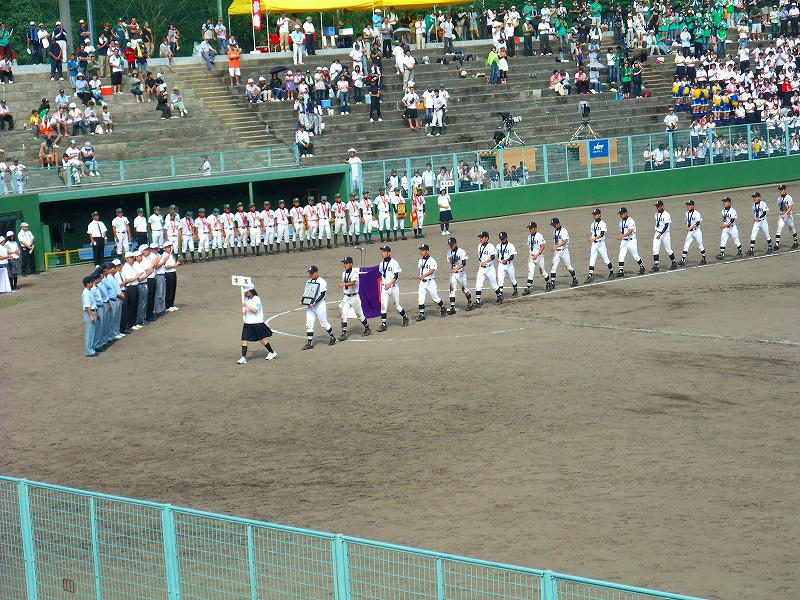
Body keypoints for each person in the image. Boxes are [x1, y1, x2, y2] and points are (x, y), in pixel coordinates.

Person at [236, 283, 277, 363]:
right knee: (244, 340)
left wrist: (246, 306)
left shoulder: (256, 299)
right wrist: (245, 313)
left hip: (256, 322)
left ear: (251, 291)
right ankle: (243, 357)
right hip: (248, 323)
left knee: (261, 340)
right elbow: (248, 310)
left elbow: (255, 310)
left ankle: (272, 352)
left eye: (247, 291)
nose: (246, 293)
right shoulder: (246, 299)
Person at [300, 265, 336, 349]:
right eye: (310, 273)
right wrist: (302, 300)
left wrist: (315, 302)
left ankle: (332, 337)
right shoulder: (308, 281)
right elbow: (306, 292)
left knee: (324, 323)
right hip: (310, 305)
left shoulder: (322, 281)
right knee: (309, 324)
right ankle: (310, 343)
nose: (310, 275)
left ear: (316, 272)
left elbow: (323, 294)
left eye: (312, 273)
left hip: (319, 305)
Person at [337, 256, 371, 340]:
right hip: (346, 297)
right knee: (344, 315)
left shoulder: (354, 273)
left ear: (351, 264)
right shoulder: (343, 273)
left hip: (354, 297)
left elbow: (352, 283)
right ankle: (344, 333)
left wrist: (343, 284)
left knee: (359, 315)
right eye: (344, 263)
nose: (345, 265)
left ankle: (367, 327)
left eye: (346, 263)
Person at [377, 245, 409, 331]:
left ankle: (405, 317)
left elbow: (396, 276)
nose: (383, 253)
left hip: (393, 287)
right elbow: (382, 275)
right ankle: (383, 324)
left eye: (384, 252)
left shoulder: (394, 263)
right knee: (383, 306)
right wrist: (384, 285)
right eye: (382, 252)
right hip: (385, 287)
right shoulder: (381, 264)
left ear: (389, 253)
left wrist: (389, 284)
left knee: (396, 306)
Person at [415, 243, 447, 320]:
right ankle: (422, 314)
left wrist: (424, 275)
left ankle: (443, 308)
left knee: (435, 299)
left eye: (423, 250)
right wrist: (422, 277)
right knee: (420, 299)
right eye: (421, 250)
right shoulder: (420, 261)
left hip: (430, 282)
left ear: (427, 251)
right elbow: (421, 269)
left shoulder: (432, 260)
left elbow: (432, 271)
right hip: (422, 283)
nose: (421, 252)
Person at [585, 209, 615, 283]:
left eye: (595, 214)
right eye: (594, 214)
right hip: (594, 244)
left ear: (599, 214)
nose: (594, 216)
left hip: (601, 244)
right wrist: (592, 239)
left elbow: (602, 234)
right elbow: (593, 233)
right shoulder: (592, 224)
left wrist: (593, 239)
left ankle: (611, 272)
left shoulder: (603, 224)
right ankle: (590, 275)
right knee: (592, 259)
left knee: (606, 259)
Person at [474, 231, 503, 306]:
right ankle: (478, 301)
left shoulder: (491, 246)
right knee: (478, 285)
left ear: (487, 238)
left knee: (494, 285)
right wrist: (482, 263)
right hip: (481, 269)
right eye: (480, 237)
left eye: (482, 237)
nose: (481, 239)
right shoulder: (479, 246)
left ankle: (499, 296)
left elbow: (493, 256)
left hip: (489, 269)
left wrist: (486, 262)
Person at [615, 207, 646, 277]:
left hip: (631, 241)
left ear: (626, 213)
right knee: (621, 256)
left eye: (622, 214)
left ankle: (642, 267)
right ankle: (621, 271)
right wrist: (623, 237)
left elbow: (630, 231)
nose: (621, 215)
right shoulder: (620, 222)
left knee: (635, 256)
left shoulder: (631, 221)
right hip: (624, 241)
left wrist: (622, 236)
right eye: (620, 214)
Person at [549, 217, 579, 289]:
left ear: (558, 223)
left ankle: (575, 279)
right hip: (557, 252)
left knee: (568, 267)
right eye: (553, 225)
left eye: (554, 225)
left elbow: (564, 241)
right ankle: (552, 284)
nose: (553, 226)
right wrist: (556, 247)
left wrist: (556, 246)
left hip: (564, 251)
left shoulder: (564, 231)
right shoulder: (554, 231)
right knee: (553, 267)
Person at [445, 236, 473, 313]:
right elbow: (451, 263)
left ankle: (470, 302)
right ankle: (452, 307)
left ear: (456, 243)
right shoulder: (449, 253)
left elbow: (464, 263)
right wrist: (452, 271)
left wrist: (456, 269)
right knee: (451, 290)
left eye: (452, 244)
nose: (451, 246)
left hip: (461, 273)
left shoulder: (461, 251)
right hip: (453, 274)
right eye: (450, 245)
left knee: (464, 289)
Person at [522, 221, 550, 294]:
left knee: (542, 271)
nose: (530, 230)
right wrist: (532, 256)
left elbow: (543, 246)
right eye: (529, 228)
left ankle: (548, 283)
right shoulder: (529, 237)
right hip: (531, 257)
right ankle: (528, 289)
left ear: (535, 228)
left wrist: (537, 255)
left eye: (531, 228)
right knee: (530, 272)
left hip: (539, 256)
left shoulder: (539, 236)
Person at [679, 200, 707, 266]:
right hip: (690, 232)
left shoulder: (697, 213)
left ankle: (704, 259)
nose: (688, 207)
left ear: (693, 206)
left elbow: (698, 223)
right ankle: (683, 260)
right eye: (687, 205)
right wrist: (689, 228)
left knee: (700, 245)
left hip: (697, 231)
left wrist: (690, 228)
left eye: (689, 205)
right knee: (686, 245)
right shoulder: (686, 213)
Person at [652, 200, 677, 272]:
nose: (657, 208)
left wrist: (661, 234)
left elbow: (666, 226)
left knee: (668, 249)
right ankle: (656, 266)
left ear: (662, 206)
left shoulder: (666, 214)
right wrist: (658, 233)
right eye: (656, 206)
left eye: (658, 206)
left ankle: (673, 263)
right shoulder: (656, 214)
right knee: (655, 249)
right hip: (657, 233)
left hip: (665, 234)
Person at [775, 184, 798, 251]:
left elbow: (790, 207)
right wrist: (783, 214)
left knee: (791, 228)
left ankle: (796, 242)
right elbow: (780, 207)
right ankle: (776, 245)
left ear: (785, 190)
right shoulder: (779, 199)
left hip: (788, 216)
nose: (780, 191)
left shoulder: (789, 197)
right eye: (779, 190)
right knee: (779, 229)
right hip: (782, 216)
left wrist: (786, 213)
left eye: (781, 190)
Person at [747, 192, 772, 256]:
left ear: (759, 197)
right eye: (754, 197)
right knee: (753, 235)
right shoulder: (753, 205)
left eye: (755, 197)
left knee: (767, 235)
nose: (754, 199)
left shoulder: (763, 204)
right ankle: (752, 250)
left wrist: (759, 217)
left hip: (763, 222)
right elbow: (755, 213)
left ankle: (770, 247)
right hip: (756, 223)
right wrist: (755, 218)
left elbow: (764, 213)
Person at [496, 231, 519, 297]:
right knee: (500, 280)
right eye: (501, 239)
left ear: (506, 237)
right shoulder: (498, 246)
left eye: (503, 238)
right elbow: (498, 254)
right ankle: (500, 294)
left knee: (512, 279)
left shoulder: (510, 246)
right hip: (501, 265)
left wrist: (507, 260)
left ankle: (515, 290)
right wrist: (501, 260)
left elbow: (512, 256)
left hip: (509, 265)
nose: (502, 240)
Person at [82, 275, 99, 356]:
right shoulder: (86, 293)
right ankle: (89, 351)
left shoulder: (89, 291)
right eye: (91, 282)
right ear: (87, 284)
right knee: (90, 333)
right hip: (89, 313)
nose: (92, 283)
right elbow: (87, 306)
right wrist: (91, 316)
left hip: (93, 311)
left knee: (93, 332)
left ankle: (91, 348)